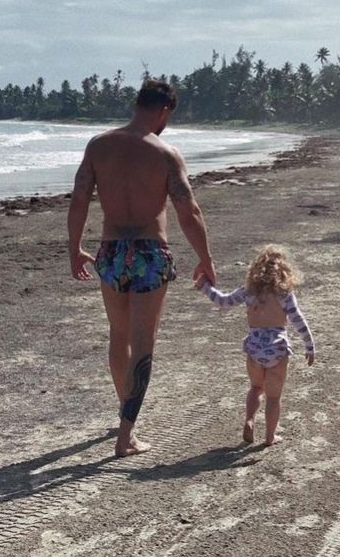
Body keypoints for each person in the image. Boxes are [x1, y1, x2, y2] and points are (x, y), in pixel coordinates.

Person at [67, 79, 216, 457]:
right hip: (150, 252)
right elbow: (188, 209)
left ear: (137, 104)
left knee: (119, 334)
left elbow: (80, 196)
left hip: (112, 250)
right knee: (143, 341)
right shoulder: (165, 153)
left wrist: (74, 248)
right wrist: (206, 257)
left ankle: (125, 415)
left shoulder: (99, 146)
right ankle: (126, 435)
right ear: (164, 110)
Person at [195, 245, 314, 447]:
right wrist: (309, 345)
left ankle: (249, 420)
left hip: (254, 347)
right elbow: (298, 319)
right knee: (274, 397)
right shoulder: (284, 293)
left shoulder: (248, 292)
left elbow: (223, 301)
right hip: (277, 347)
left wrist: (206, 287)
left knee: (256, 388)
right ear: (285, 270)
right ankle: (270, 436)